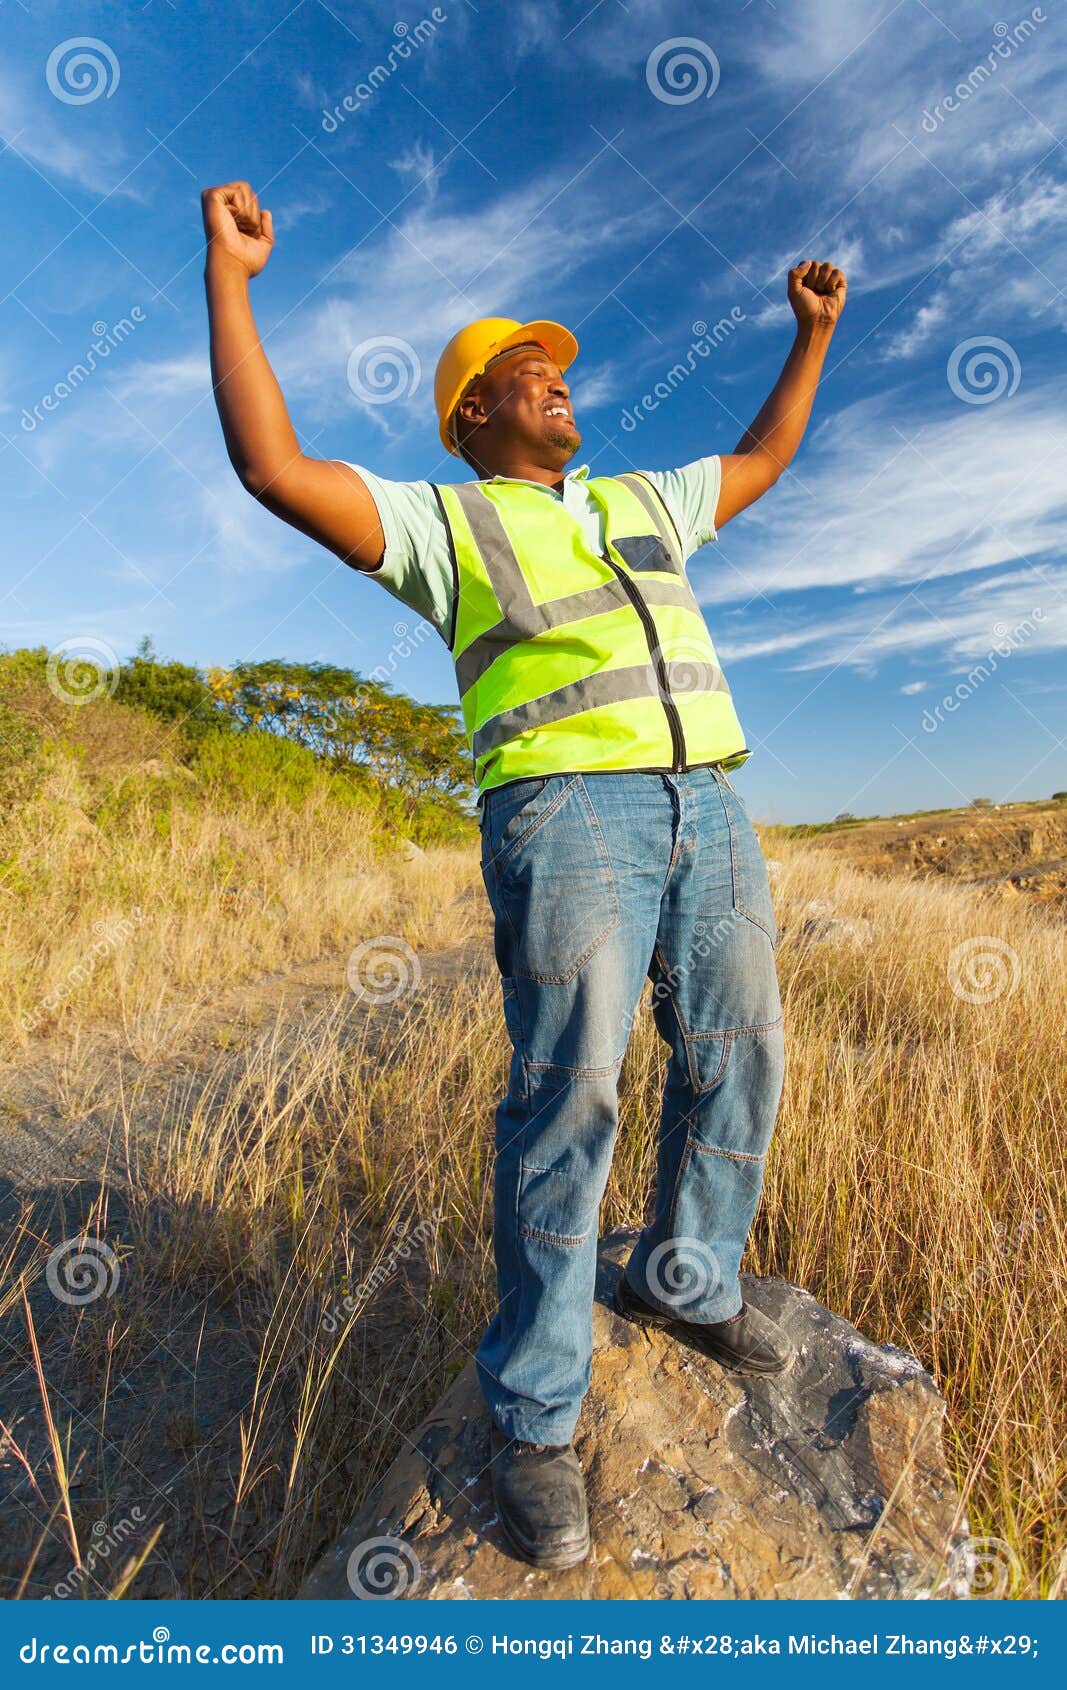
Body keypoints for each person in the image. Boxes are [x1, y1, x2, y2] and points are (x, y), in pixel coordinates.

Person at [201, 180, 847, 1572]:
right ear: (472, 418)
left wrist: (808, 337)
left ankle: (689, 1276)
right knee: (576, 1094)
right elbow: (271, 467)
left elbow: (764, 458)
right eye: (523, 374)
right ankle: (538, 1416)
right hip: (568, 817)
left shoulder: (637, 502)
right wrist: (231, 276)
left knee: (742, 1055)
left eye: (558, 371)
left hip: (710, 804)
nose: (555, 384)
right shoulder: (447, 527)